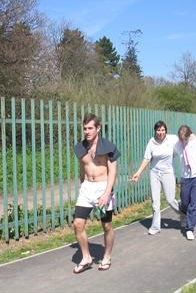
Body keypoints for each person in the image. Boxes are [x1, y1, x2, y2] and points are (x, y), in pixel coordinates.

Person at [72, 113, 120, 273]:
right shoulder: (80, 147)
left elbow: (112, 172)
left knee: (106, 225)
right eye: (85, 128)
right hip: (87, 188)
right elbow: (82, 168)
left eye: (90, 128)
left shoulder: (109, 147)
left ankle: (106, 256)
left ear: (98, 128)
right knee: (78, 224)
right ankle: (86, 257)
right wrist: (82, 185)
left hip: (103, 188)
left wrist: (107, 193)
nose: (87, 131)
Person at [130, 120, 182, 235]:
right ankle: (155, 227)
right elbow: (147, 159)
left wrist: (193, 138)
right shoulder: (151, 142)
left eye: (162, 130)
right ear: (155, 131)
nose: (160, 132)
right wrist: (138, 173)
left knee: (170, 200)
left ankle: (183, 214)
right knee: (155, 201)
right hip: (154, 173)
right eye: (158, 130)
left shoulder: (172, 139)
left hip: (168, 173)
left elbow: (185, 136)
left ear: (166, 131)